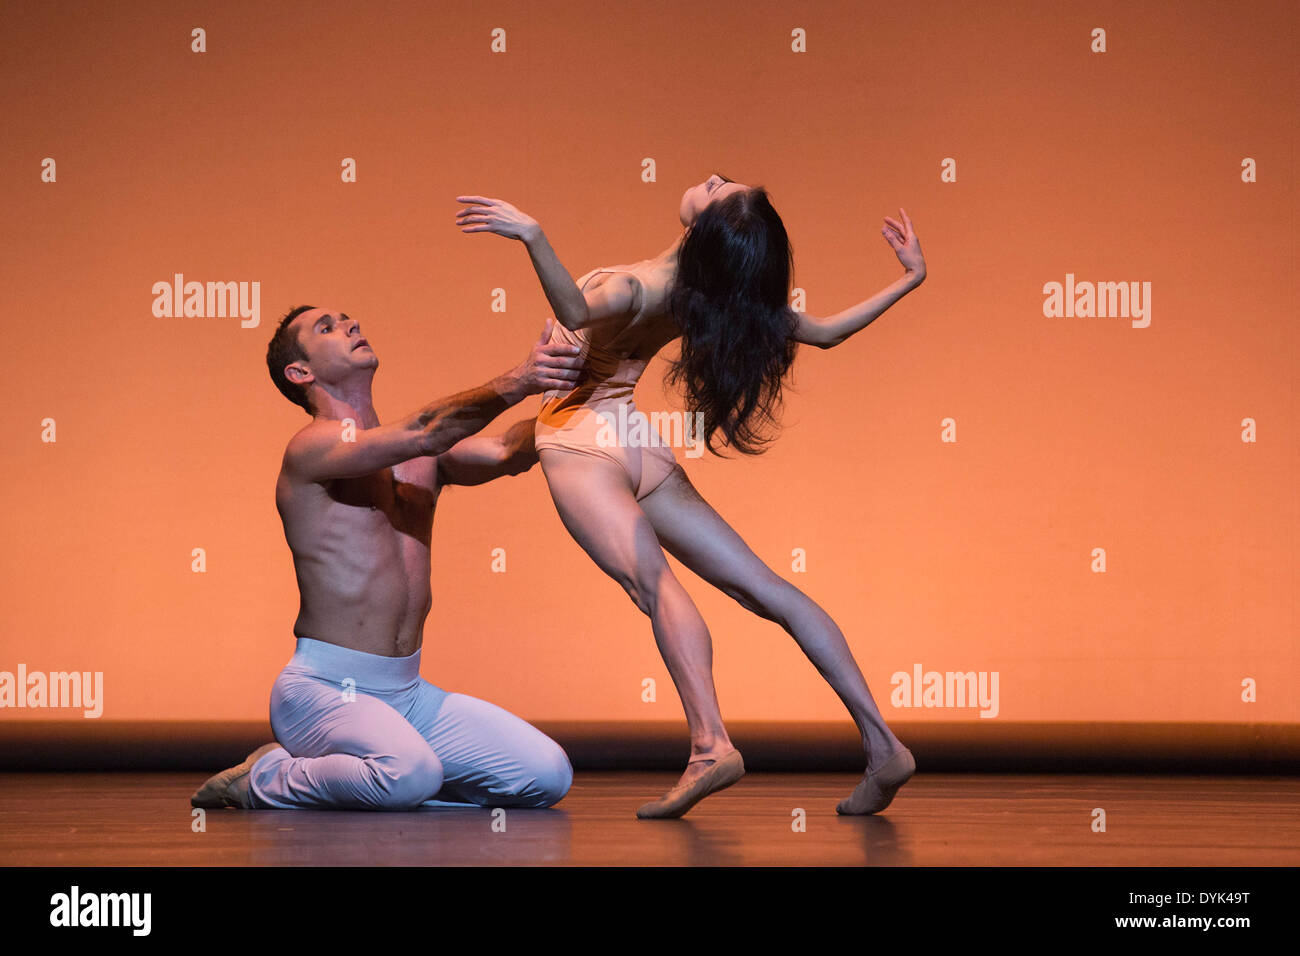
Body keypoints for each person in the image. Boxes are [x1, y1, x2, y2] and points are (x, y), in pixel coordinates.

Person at [453, 174, 926, 818]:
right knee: (768, 589)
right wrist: (908, 280)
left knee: (656, 587)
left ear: (707, 226)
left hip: (579, 439)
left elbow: (575, 313)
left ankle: (710, 745)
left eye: (717, 188)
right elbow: (824, 333)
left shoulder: (635, 286)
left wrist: (532, 236)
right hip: (633, 441)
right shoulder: (711, 295)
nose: (708, 179)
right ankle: (883, 743)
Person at [190, 309, 584, 811]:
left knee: (547, 776)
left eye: (349, 319)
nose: (351, 326)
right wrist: (525, 377)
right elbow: (427, 429)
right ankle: (265, 775)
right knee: (408, 775)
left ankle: (399, 778)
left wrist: (587, 385)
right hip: (324, 692)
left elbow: (511, 450)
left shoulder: (424, 457)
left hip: (408, 694)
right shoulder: (312, 448)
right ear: (300, 372)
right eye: (327, 328)